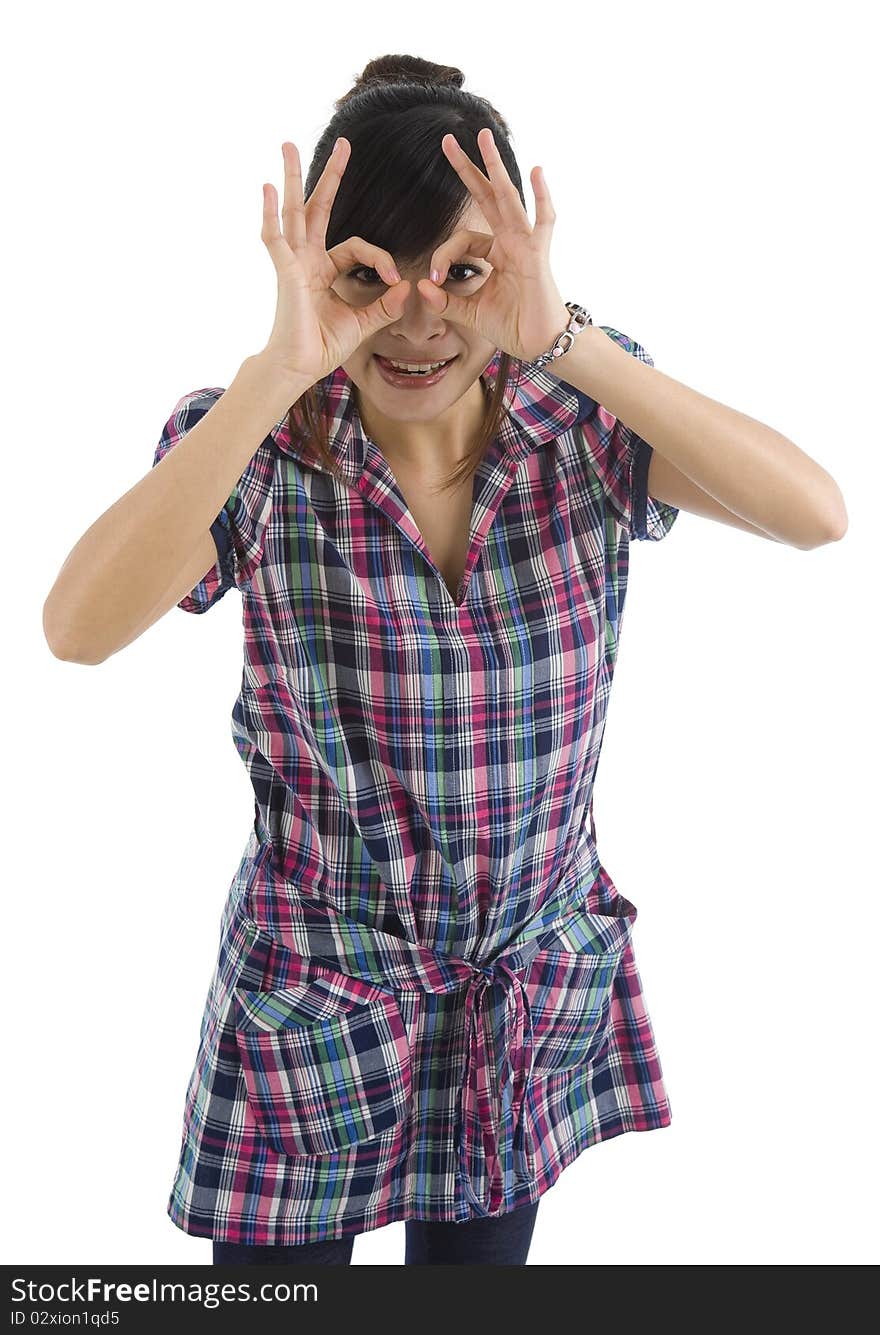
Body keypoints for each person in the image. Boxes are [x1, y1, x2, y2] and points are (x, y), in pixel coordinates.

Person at [43, 53, 847, 1267]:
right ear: (318, 276)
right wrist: (275, 375)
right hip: (318, 1001)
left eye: (462, 275)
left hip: (516, 1003)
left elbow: (815, 513)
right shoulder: (259, 448)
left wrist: (559, 335)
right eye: (371, 277)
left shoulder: (575, 418)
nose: (418, 322)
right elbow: (77, 630)